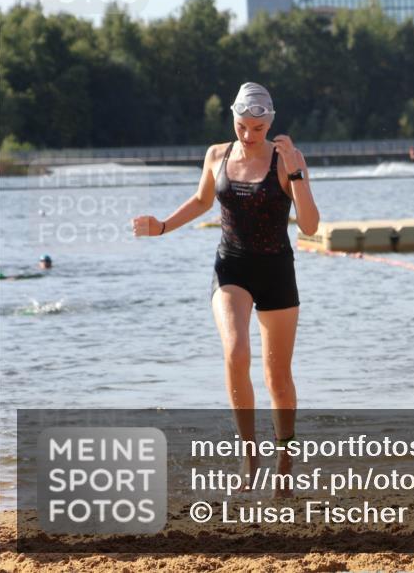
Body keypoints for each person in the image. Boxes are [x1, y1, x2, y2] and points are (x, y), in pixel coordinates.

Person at [132, 82, 319, 496]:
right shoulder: (217, 154)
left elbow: (309, 226)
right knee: (236, 352)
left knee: (278, 377)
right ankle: (249, 456)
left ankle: (284, 461)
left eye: (257, 128)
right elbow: (202, 201)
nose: (248, 135)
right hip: (230, 266)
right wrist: (162, 226)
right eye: (241, 126)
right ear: (233, 119)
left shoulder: (287, 158)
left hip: (276, 271)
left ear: (270, 123)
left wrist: (296, 171)